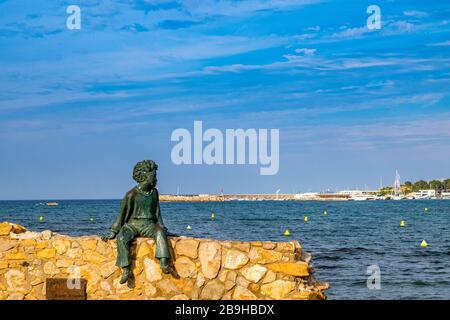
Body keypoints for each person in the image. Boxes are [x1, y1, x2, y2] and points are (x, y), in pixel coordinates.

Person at [101, 160, 175, 284]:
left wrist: (162, 226)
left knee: (160, 233)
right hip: (132, 225)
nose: (156, 177)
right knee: (122, 238)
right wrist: (113, 231)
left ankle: (164, 263)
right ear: (145, 175)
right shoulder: (131, 194)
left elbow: (157, 212)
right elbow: (122, 215)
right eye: (154, 174)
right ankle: (126, 269)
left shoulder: (154, 193)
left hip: (149, 225)